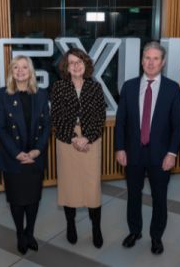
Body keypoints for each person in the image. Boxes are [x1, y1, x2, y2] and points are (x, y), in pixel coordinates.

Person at [115, 41, 180, 255]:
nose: (150, 62)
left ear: (162, 63)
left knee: (159, 198)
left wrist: (172, 153)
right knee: (133, 195)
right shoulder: (129, 86)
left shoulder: (172, 88)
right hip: (133, 152)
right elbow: (121, 122)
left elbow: (177, 125)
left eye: (155, 58)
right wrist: (119, 148)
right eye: (147, 58)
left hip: (161, 155)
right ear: (141, 61)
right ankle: (135, 231)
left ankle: (156, 237)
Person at [0, 56, 50, 255]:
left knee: (33, 200)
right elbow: (0, 128)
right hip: (13, 159)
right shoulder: (2, 94)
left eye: (24, 67)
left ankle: (30, 233)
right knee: (17, 201)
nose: (20, 71)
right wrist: (18, 154)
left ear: (31, 71)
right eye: (16, 67)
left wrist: (36, 151)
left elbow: (47, 127)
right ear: (11, 71)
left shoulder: (41, 94)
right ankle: (20, 234)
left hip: (35, 157)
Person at [51, 48, 106, 248]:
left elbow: (100, 117)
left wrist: (87, 138)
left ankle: (96, 228)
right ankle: (70, 225)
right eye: (71, 62)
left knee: (92, 187)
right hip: (67, 142)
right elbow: (56, 117)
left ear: (86, 64)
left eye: (79, 61)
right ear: (66, 66)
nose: (76, 65)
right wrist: (74, 137)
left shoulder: (95, 87)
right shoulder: (58, 87)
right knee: (69, 186)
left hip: (91, 141)